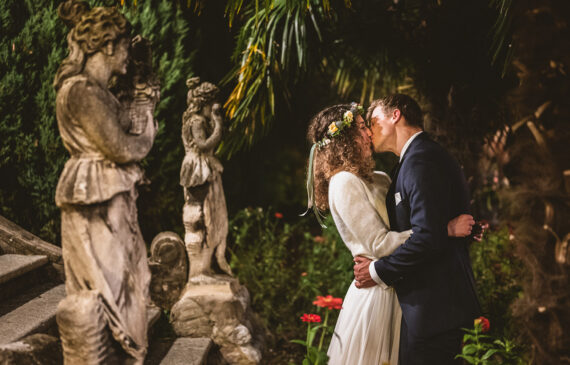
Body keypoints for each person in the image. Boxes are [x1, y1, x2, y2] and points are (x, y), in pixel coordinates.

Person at [304, 103, 476, 364]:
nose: (369, 134)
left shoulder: (382, 178)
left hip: (400, 284)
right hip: (376, 292)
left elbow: (421, 214)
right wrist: (446, 229)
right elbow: (379, 244)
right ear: (345, 140)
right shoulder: (343, 182)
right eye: (362, 128)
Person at [54, 1, 158, 363]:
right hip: (93, 198)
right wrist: (145, 126)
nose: (129, 55)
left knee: (130, 281)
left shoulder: (100, 93)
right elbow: (121, 148)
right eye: (126, 46)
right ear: (109, 44)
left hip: (108, 195)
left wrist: (142, 106)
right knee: (112, 288)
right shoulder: (81, 91)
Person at [353, 94, 481, 364]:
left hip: (436, 308)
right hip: (428, 307)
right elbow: (434, 224)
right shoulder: (412, 160)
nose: (368, 131)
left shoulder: (422, 159)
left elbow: (427, 238)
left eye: (373, 121)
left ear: (395, 116)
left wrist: (376, 271)